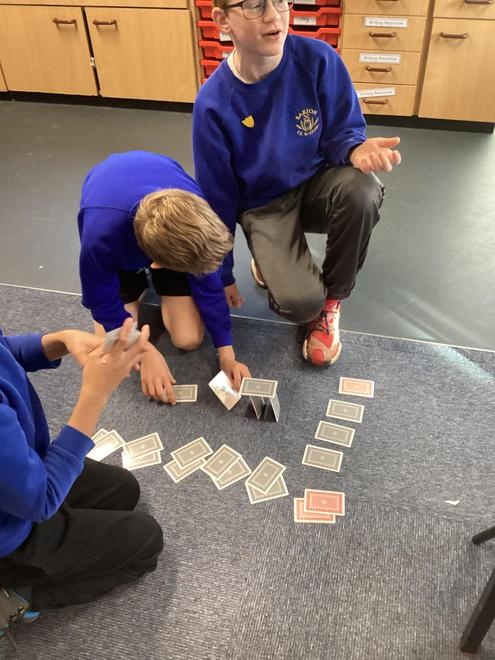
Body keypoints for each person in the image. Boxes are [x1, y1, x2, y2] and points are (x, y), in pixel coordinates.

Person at [192, 0, 402, 366]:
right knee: (300, 304)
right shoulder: (213, 103)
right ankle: (269, 257)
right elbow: (217, 198)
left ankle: (331, 304)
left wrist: (354, 149)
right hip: (263, 204)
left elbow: (342, 131)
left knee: (363, 191)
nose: (274, 15)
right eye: (254, 5)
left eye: (281, 1)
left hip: (317, 182)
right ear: (223, 20)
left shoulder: (318, 59)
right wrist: (222, 274)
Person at [0, 318, 164, 611]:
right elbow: (42, 500)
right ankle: (20, 596)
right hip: (12, 540)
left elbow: (4, 350)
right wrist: (95, 394)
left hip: (23, 474)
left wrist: (58, 341)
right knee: (148, 541)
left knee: (125, 489)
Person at [78, 150, 250, 404]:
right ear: (157, 265)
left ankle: (154, 291)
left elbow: (210, 287)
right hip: (115, 227)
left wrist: (227, 355)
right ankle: (136, 287)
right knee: (113, 350)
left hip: (161, 218)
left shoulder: (198, 221)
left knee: (188, 339)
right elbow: (100, 301)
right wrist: (143, 351)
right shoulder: (99, 239)